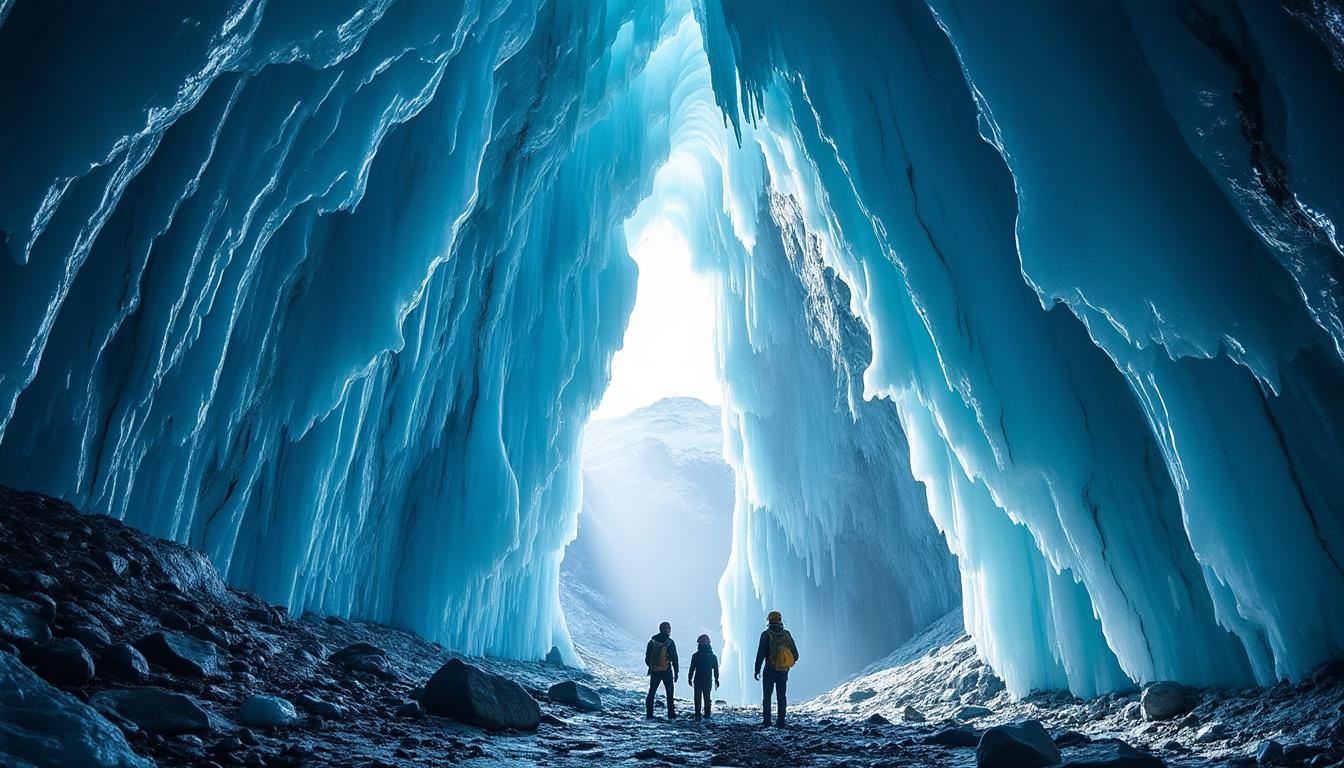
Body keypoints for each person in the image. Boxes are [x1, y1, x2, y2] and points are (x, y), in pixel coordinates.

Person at [753, 610, 799, 727]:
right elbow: (796, 654)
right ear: (779, 620)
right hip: (783, 671)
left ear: (769, 620)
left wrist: (757, 669)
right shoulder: (786, 634)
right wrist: (785, 662)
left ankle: (767, 722)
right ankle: (781, 722)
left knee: (767, 697)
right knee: (781, 697)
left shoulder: (766, 634)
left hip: (769, 669)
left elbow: (761, 654)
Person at [645, 621, 679, 719]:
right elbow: (675, 658)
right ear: (668, 630)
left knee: (652, 692)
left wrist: (652, 666)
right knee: (669, 692)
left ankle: (649, 714)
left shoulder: (652, 641)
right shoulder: (670, 642)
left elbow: (647, 658)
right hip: (667, 670)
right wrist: (676, 672)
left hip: (655, 671)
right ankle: (671, 714)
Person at [687, 633, 720, 720]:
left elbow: (692, 668)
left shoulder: (695, 656)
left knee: (697, 698)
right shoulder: (713, 657)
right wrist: (717, 679)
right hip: (708, 680)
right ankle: (707, 715)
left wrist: (689, 678)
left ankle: (698, 715)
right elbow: (716, 669)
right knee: (707, 698)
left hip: (697, 680)